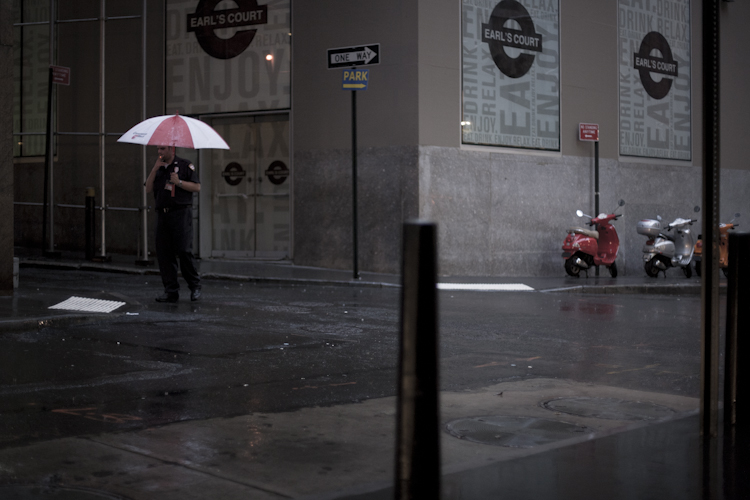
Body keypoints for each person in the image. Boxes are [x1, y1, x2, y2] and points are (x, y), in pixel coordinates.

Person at [145, 145, 202, 302]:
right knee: (164, 253)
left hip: (180, 213)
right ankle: (171, 290)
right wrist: (154, 169)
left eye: (162, 149)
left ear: (171, 149)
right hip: (163, 214)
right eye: (158, 149)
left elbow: (197, 187)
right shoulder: (159, 168)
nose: (159, 152)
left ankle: (195, 286)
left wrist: (179, 183)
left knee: (183, 250)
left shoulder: (185, 165)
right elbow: (148, 188)